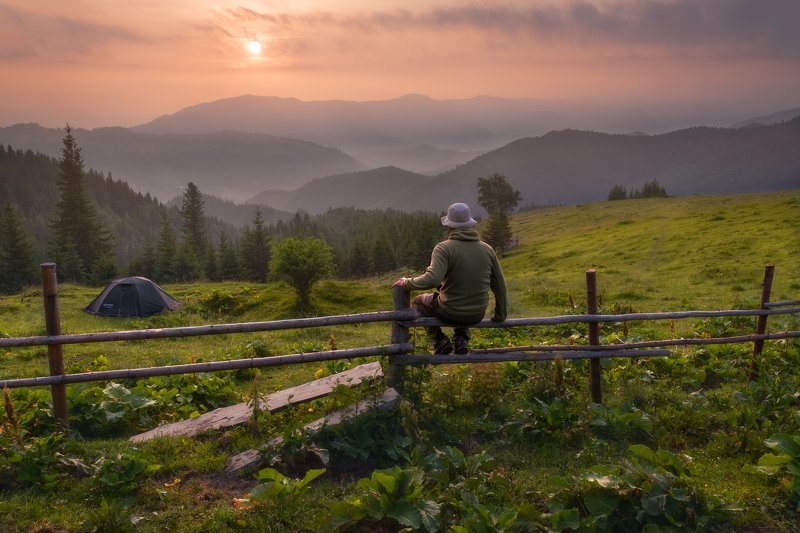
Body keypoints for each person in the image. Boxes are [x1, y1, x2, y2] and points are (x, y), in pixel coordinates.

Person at [393, 202, 508, 354]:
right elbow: (499, 286)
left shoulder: (444, 248)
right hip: (477, 314)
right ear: (469, 225)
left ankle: (439, 340)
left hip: (449, 312)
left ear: (449, 226)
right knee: (456, 292)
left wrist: (407, 283)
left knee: (419, 301)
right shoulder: (488, 250)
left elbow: (432, 279)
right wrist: (500, 315)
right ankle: (461, 338)